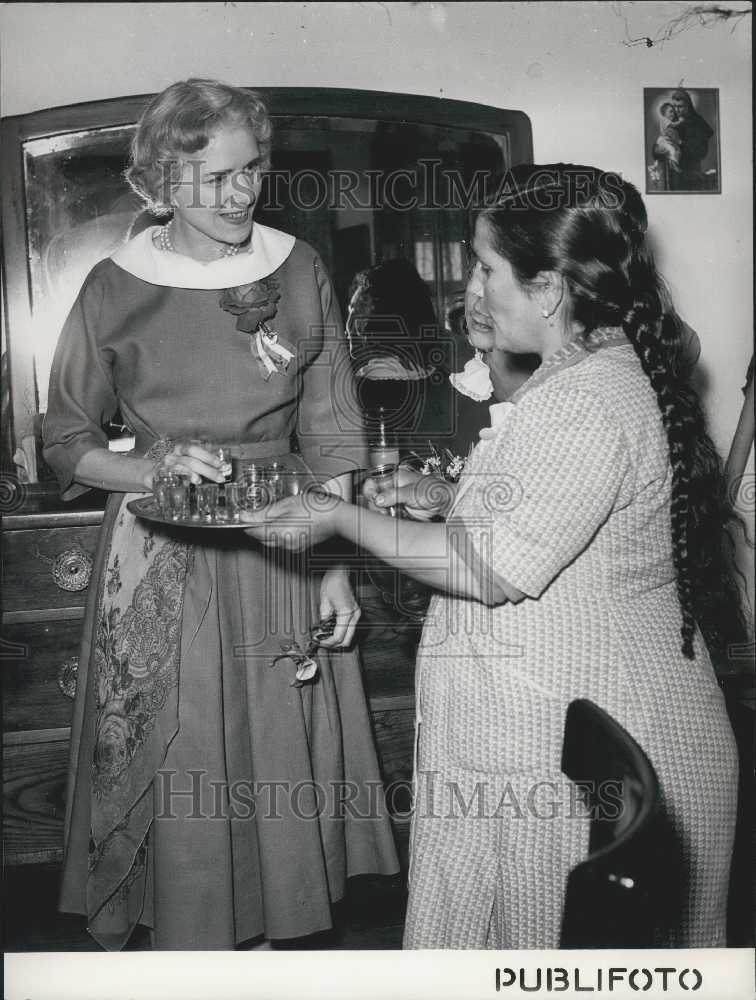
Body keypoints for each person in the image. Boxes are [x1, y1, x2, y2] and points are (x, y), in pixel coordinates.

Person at [243, 163, 747, 948]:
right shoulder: (590, 379)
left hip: (575, 754)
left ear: (549, 289)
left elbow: (487, 569)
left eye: (487, 267)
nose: (472, 289)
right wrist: (451, 499)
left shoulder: (579, 402)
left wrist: (336, 515)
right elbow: (579, 526)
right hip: (551, 734)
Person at [42, 78, 399, 951]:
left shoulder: (300, 266)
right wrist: (146, 463)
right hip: (160, 557)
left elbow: (333, 432)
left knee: (280, 761)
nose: (243, 193)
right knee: (185, 764)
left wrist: (336, 567)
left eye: (254, 170)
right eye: (218, 178)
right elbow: (64, 441)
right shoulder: (112, 287)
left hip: (285, 542)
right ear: (163, 180)